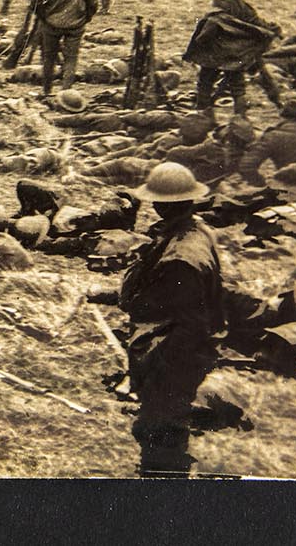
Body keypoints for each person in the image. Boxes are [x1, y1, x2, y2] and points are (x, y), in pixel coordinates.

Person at [112, 162, 226, 478]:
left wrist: (151, 370)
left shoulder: (179, 258)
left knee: (161, 435)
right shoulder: (197, 231)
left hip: (173, 357)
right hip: (183, 349)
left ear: (162, 205)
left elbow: (169, 317)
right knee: (163, 430)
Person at [184, 0, 282, 116]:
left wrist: (202, 48)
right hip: (237, 57)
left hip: (214, 56)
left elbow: (205, 34)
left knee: (205, 85)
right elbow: (259, 25)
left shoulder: (219, 7)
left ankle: (201, 118)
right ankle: (241, 119)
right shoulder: (246, 9)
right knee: (238, 89)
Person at [33, 0, 98, 96]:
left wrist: (44, 17)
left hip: (52, 23)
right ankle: (66, 94)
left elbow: (36, 1)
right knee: (71, 58)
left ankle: (47, 91)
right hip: (76, 23)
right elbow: (93, 1)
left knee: (49, 58)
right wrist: (86, 18)